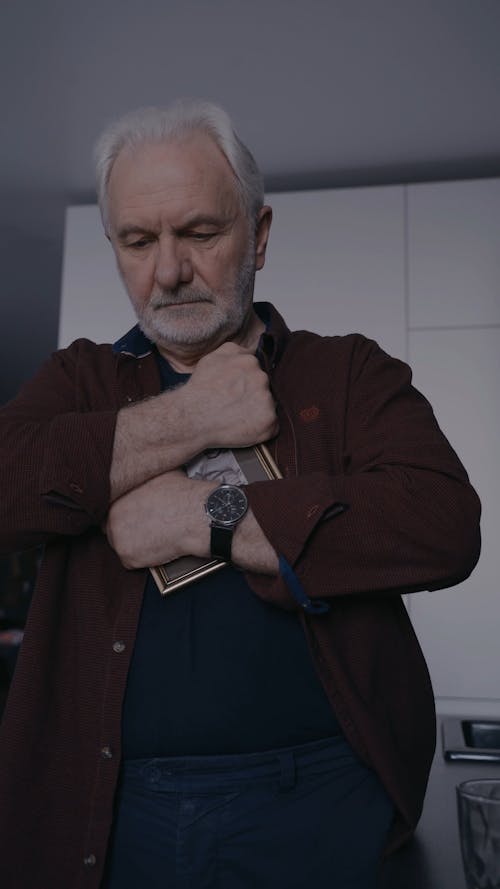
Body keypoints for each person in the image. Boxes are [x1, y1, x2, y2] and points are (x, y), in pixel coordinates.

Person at [0, 99, 480, 889]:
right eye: (138, 240)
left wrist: (207, 516)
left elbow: (443, 524)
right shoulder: (77, 379)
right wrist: (192, 415)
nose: (168, 270)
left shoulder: (350, 373)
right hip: (110, 805)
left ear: (257, 234)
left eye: (198, 233)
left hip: (325, 797)